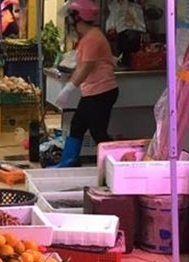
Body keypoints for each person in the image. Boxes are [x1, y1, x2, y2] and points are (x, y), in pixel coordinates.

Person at [53, 0, 118, 168]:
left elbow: (86, 68)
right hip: (94, 91)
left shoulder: (92, 39)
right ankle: (69, 162)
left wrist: (68, 89)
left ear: (78, 19)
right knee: (78, 125)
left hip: (100, 92)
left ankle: (117, 164)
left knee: (98, 132)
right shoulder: (90, 37)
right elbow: (82, 65)